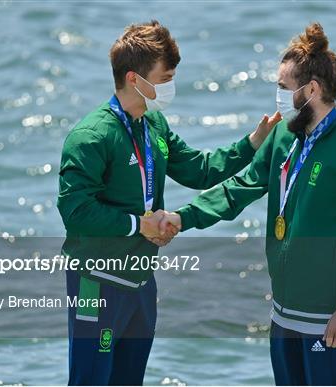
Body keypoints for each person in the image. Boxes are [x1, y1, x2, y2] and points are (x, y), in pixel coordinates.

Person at [159, 23, 336, 386]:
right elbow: (239, 188)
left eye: (284, 88)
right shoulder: (283, 138)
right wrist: (182, 217)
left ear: (312, 90)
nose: (279, 96)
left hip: (329, 324)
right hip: (284, 320)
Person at [56, 20, 279, 385]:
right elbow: (75, 211)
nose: (171, 86)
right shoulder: (91, 136)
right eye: (166, 77)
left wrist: (252, 143)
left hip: (142, 283)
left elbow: (198, 170)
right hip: (95, 282)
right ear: (134, 79)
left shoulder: (153, 124)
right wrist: (137, 224)